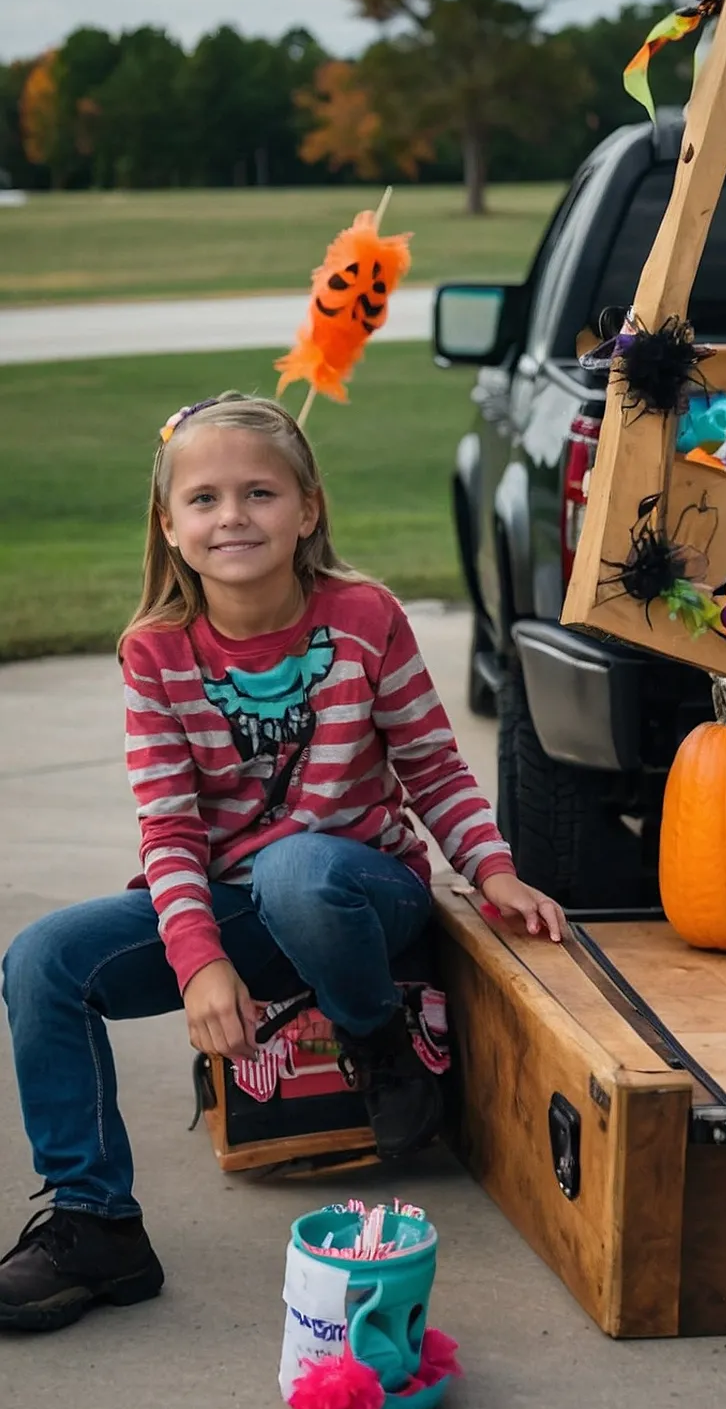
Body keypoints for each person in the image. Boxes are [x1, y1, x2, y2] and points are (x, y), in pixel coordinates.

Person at [0, 392, 566, 1333]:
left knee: (298, 869)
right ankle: (96, 1222)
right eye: (206, 499)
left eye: (259, 492)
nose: (233, 516)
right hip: (235, 904)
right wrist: (199, 960)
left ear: (306, 509)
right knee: (42, 961)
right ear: (171, 527)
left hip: (358, 894)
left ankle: (378, 1039)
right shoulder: (155, 654)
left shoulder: (363, 616)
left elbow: (431, 761)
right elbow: (170, 831)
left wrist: (492, 866)